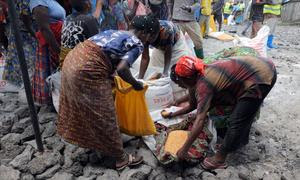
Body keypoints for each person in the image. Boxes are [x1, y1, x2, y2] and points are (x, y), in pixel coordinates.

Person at [163, 55, 277, 170]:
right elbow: (193, 104)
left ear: (186, 79)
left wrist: (184, 150)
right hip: (257, 67)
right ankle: (236, 143)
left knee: (237, 120)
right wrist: (173, 112)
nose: (178, 85)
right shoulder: (198, 73)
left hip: (262, 76)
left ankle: (219, 159)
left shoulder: (203, 84)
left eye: (179, 82)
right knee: (243, 114)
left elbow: (200, 120)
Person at [57, 30, 144, 170]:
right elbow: (122, 69)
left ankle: (96, 144)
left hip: (71, 61)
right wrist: (135, 84)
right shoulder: (137, 43)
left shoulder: (114, 31)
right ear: (146, 34)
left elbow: (109, 58)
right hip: (86, 71)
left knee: (86, 109)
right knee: (104, 114)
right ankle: (121, 158)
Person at [130, 15, 193, 79]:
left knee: (176, 67)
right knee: (156, 65)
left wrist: (165, 72)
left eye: (151, 38)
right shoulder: (145, 35)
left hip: (175, 43)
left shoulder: (166, 31)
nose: (148, 41)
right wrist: (140, 78)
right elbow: (145, 58)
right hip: (161, 45)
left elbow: (168, 53)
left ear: (155, 34)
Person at [30, 0, 66, 109]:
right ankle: (53, 102)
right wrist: (57, 50)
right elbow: (44, 28)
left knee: (57, 72)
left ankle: (61, 100)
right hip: (51, 43)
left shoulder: (50, 1)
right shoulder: (38, 2)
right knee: (52, 72)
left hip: (57, 38)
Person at [2, 0, 36, 87]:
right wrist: (33, 33)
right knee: (26, 60)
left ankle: (21, 85)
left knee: (19, 59)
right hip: (24, 32)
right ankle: (24, 85)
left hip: (22, 30)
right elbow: (24, 15)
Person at [59, 0, 99, 68]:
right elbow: (97, 45)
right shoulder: (89, 20)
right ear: (87, 4)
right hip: (79, 64)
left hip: (65, 63)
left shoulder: (67, 18)